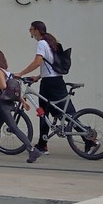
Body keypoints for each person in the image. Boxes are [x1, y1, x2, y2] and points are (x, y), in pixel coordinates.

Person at [16, 20, 68, 154]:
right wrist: (38, 77)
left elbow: (38, 62)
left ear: (36, 31)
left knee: (43, 113)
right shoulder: (51, 43)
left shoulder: (41, 43)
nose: (30, 32)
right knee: (65, 113)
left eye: (30, 29)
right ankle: (89, 139)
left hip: (49, 84)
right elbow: (50, 65)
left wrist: (21, 73)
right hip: (57, 80)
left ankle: (42, 145)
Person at [0, 49, 41, 162]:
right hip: (7, 102)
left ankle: (32, 150)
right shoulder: (7, 72)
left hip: (3, 103)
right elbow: (13, 89)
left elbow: (3, 86)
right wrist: (22, 101)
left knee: (13, 128)